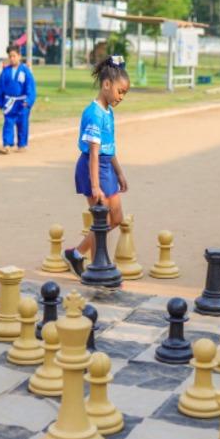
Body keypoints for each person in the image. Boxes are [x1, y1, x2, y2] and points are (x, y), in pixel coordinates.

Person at [63, 56, 130, 277]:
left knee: (116, 219)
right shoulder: (93, 114)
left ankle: (77, 253)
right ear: (107, 84)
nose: (121, 97)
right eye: (120, 91)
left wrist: (119, 172)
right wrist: (95, 186)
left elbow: (108, 148)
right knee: (103, 221)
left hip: (106, 168)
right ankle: (96, 264)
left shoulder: (108, 111)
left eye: (125, 93)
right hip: (92, 170)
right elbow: (93, 153)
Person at [0, 44, 36, 154]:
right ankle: (7, 144)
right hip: (9, 102)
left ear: (19, 56)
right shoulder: (5, 71)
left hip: (22, 103)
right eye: (10, 56)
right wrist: (0, 101)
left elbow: (30, 87)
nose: (12, 58)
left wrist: (28, 100)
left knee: (22, 123)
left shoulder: (25, 71)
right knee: (8, 122)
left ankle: (22, 144)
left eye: (14, 56)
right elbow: (0, 87)